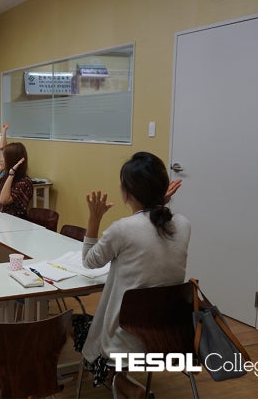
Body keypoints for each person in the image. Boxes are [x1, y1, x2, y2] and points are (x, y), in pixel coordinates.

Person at [76, 151, 190, 396]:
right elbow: (148, 231)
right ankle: (123, 383)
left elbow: (89, 261)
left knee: (78, 328)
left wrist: (94, 218)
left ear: (126, 192)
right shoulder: (183, 225)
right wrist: (160, 203)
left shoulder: (122, 229)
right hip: (168, 330)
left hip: (126, 334)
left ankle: (123, 384)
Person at [0, 142, 33, 219]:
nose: (1, 159)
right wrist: (1, 167)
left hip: (14, 223)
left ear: (12, 159)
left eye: (4, 156)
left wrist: (11, 174)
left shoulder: (24, 181)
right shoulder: (7, 178)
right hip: (1, 220)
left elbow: (3, 200)